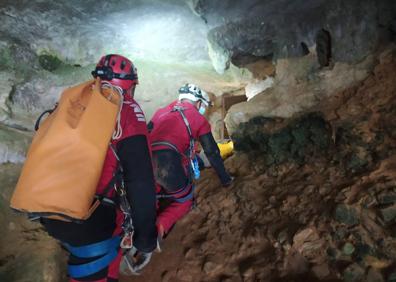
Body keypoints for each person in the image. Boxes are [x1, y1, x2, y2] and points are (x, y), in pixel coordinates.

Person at [41, 54, 158, 281]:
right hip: (90, 217)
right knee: (92, 262)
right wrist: (145, 239)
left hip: (49, 207)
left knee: (100, 258)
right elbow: (141, 182)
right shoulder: (126, 110)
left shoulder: (73, 101)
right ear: (130, 85)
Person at [148, 83, 233, 239]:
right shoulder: (197, 118)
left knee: (151, 195)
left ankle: (143, 221)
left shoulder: (160, 112)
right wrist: (225, 179)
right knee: (184, 201)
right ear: (199, 102)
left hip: (144, 161)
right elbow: (213, 153)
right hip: (167, 164)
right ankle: (158, 228)